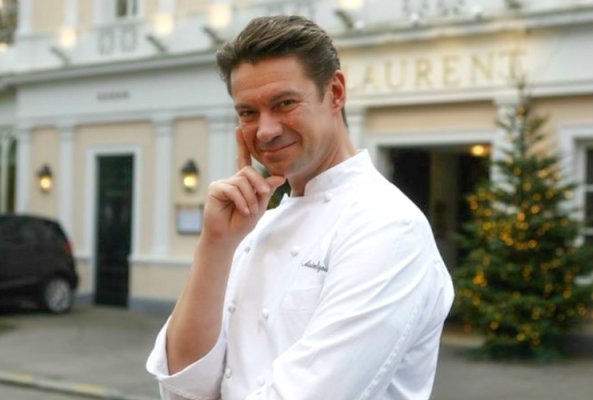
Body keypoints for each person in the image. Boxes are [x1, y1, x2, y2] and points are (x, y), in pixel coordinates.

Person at [146, 15, 454, 400]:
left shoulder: (387, 225)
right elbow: (181, 384)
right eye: (248, 113)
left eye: (285, 103)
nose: (266, 130)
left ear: (336, 92)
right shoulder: (255, 226)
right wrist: (216, 244)